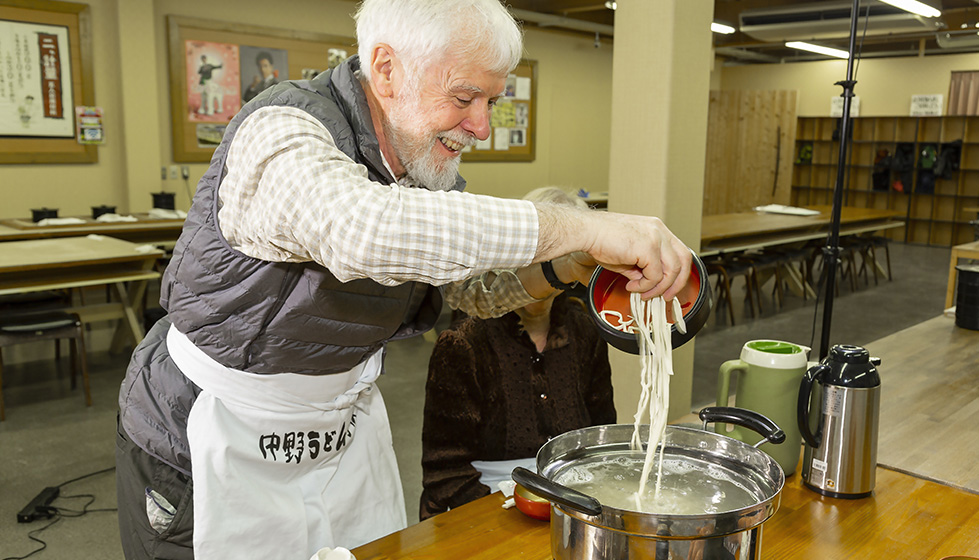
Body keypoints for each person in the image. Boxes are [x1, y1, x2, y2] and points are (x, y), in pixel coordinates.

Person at [115, 1, 691, 559]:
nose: (482, 126)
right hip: (216, 429)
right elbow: (362, 229)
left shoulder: (421, 170)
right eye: (465, 97)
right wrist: (582, 227)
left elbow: (473, 290)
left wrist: (565, 266)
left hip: (340, 427)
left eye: (491, 100)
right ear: (387, 69)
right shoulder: (283, 133)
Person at [419, 187, 616, 520]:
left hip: (576, 501)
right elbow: (446, 474)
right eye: (537, 257)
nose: (544, 270)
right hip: (490, 508)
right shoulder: (464, 344)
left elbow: (602, 438)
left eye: (558, 261)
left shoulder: (585, 332)